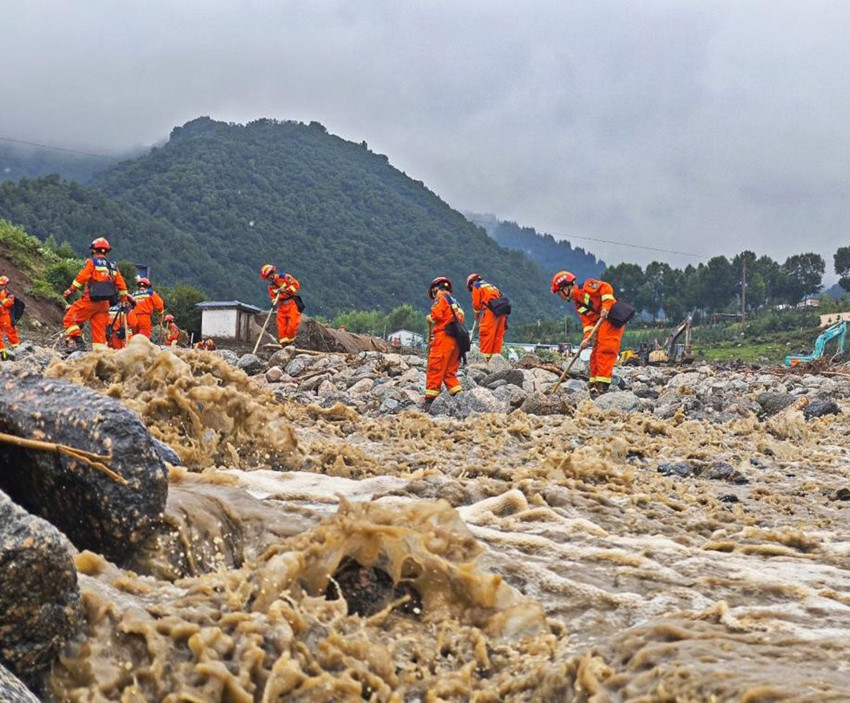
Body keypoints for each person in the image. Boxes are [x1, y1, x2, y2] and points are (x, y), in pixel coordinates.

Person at [551, 270, 625, 396]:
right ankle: (594, 381)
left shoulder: (587, 286)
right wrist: (586, 339)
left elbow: (606, 288)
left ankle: (603, 383)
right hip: (601, 323)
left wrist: (606, 307)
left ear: (566, 288)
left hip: (611, 317)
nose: (560, 297)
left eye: (559, 293)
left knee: (605, 349)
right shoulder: (578, 305)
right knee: (595, 352)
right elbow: (588, 324)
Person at [63, 238, 133, 352]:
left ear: (93, 251)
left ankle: (80, 344)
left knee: (69, 319)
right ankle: (99, 357)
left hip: (90, 301)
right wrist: (124, 299)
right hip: (104, 305)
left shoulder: (92, 263)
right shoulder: (112, 267)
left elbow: (82, 277)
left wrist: (71, 289)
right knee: (99, 336)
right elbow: (122, 286)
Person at [424, 276, 465, 404]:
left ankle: (430, 399)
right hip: (457, 341)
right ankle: (460, 398)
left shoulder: (441, 297)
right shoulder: (455, 302)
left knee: (435, 367)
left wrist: (430, 318)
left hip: (444, 338)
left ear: (436, 289)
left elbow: (437, 315)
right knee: (449, 373)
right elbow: (460, 319)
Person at [466, 273, 508, 361]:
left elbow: (477, 305)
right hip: (502, 313)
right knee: (497, 337)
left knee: (486, 335)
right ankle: (496, 361)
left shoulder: (477, 286)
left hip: (490, 313)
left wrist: (477, 316)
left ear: (472, 283)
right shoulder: (492, 286)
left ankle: (485, 362)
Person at [259, 264, 302, 346]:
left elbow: (296, 285)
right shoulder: (271, 287)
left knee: (293, 325)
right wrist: (274, 303)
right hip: (281, 307)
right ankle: (284, 345)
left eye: (269, 275)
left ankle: (290, 342)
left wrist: (286, 290)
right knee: (281, 328)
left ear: (273, 272)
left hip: (291, 304)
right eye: (267, 277)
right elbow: (273, 298)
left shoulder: (285, 277)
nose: (269, 278)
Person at [0, 275, 20, 360]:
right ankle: (3, 354)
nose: (1, 286)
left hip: (6, 317)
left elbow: (9, 304)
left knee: (11, 333)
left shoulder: (9, 294)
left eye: (2, 285)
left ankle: (18, 352)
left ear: (6, 285)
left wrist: (1, 297)